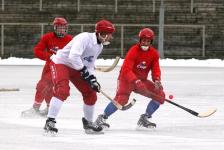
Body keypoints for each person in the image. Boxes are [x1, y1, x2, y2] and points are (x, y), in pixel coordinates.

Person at [43, 19, 116, 134]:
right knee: (63, 90)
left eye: (110, 35)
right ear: (100, 33)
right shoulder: (84, 38)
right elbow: (73, 57)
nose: (109, 37)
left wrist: (92, 79)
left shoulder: (99, 46)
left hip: (76, 67)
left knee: (91, 93)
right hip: (61, 63)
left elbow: (89, 65)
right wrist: (83, 70)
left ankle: (88, 123)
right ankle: (50, 121)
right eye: (107, 35)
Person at [95, 28, 165, 129]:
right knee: (121, 100)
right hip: (126, 79)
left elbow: (156, 69)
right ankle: (102, 118)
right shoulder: (134, 50)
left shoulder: (154, 53)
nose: (145, 43)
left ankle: (145, 118)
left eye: (148, 41)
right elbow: (126, 69)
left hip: (141, 81)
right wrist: (135, 81)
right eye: (144, 40)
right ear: (140, 40)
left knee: (160, 95)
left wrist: (157, 80)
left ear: (151, 42)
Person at [21, 17, 73, 117]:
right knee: (45, 87)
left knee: (43, 85)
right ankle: (48, 108)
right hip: (49, 67)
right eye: (59, 28)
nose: (62, 30)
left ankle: (36, 108)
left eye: (63, 28)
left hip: (62, 68)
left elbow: (75, 54)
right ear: (55, 28)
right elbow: (37, 51)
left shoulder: (70, 40)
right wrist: (49, 56)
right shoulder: (47, 37)